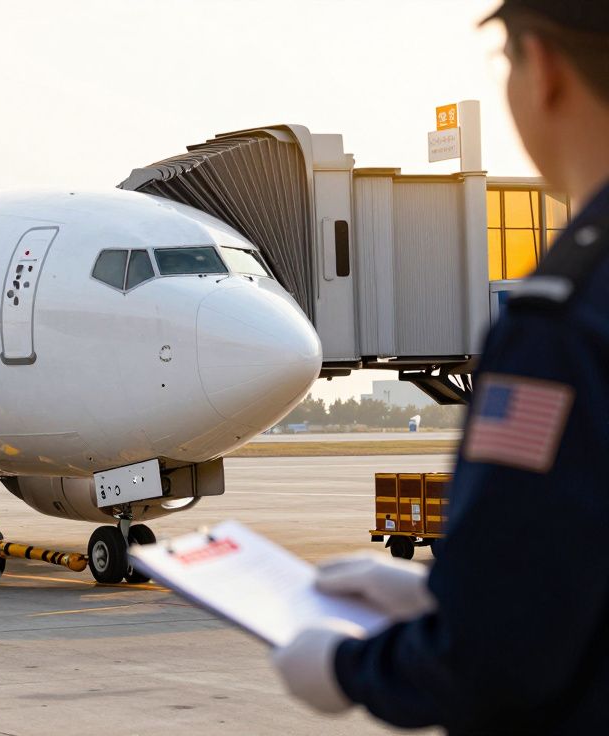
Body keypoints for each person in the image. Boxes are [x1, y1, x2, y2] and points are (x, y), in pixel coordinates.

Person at [272, 1, 609, 732]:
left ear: (543, 68)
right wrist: (439, 594)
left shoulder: (559, 321)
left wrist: (349, 669)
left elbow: (498, 653)